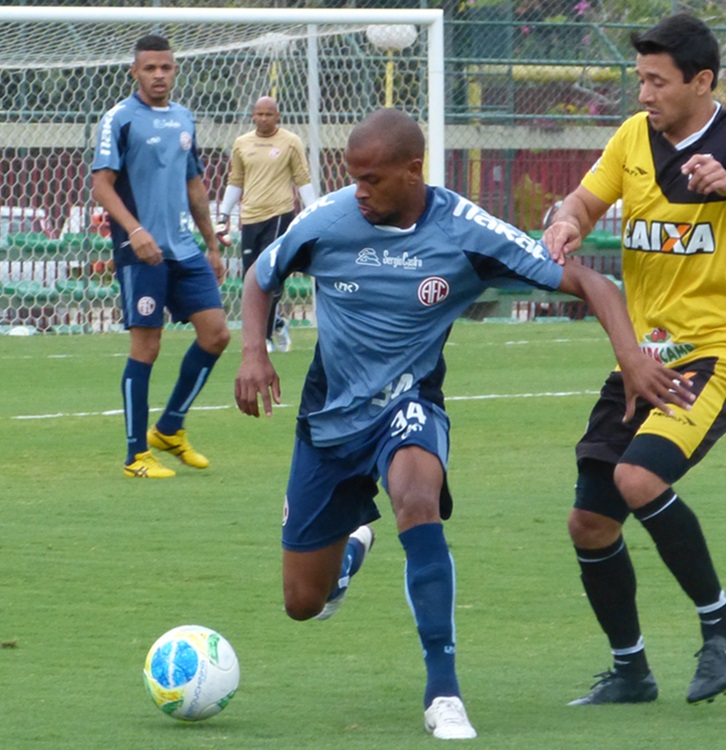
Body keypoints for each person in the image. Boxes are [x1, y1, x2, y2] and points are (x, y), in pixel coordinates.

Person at [234, 108, 695, 740]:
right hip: (329, 418)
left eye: (371, 178)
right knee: (301, 604)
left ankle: (443, 693)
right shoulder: (329, 221)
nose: (359, 190)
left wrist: (632, 359)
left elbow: (592, 284)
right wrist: (253, 351)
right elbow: (262, 279)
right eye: (353, 177)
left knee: (417, 499)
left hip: (408, 403)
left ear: (411, 171)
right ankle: (347, 558)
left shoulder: (465, 230)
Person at [542, 13, 726, 706]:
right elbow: (586, 197)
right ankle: (632, 671)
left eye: (657, 82)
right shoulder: (633, 136)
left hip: (715, 355)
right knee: (589, 522)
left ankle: (723, 631)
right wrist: (568, 221)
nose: (644, 94)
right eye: (639, 79)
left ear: (701, 81)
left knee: (636, 478)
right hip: (644, 356)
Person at [92, 34, 231, 479]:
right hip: (140, 252)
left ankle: (169, 428)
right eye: (149, 68)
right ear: (134, 72)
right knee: (146, 347)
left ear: (174, 70)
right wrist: (134, 231)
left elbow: (194, 185)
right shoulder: (119, 119)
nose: (158, 75)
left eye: (165, 68)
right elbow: (101, 185)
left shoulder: (184, 118)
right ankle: (136, 455)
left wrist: (211, 244)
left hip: (184, 249)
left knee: (216, 335)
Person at [217, 95, 316, 354]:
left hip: (278, 214)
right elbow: (235, 180)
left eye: (268, 114)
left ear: (277, 116)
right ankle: (277, 324)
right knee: (251, 279)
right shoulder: (242, 144)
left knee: (269, 277)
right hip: (250, 217)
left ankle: (265, 338)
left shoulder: (290, 142)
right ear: (253, 115)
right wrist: (223, 214)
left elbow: (301, 178)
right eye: (259, 114)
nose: (263, 119)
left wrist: (314, 211)